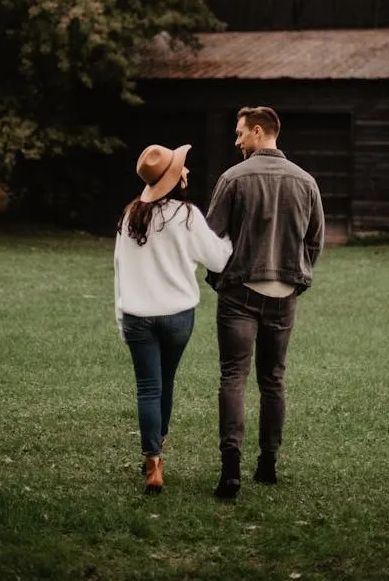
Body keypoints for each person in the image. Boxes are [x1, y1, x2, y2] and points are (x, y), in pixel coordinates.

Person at [205, 106, 325, 500]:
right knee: (273, 380)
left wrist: (220, 279)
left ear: (258, 131)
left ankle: (231, 470)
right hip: (283, 295)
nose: (236, 141)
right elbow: (315, 241)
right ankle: (268, 464)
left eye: (240, 133)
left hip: (239, 292)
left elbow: (210, 239)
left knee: (233, 377)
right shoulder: (306, 181)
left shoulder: (233, 178)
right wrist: (294, 278)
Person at [114, 143, 233, 494]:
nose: (187, 171)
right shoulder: (187, 215)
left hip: (136, 315)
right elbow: (218, 260)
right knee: (165, 383)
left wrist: (120, 317)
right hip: (177, 316)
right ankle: (158, 443)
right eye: (182, 168)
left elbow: (119, 271)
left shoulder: (130, 216)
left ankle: (153, 462)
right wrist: (230, 237)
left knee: (148, 388)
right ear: (174, 178)